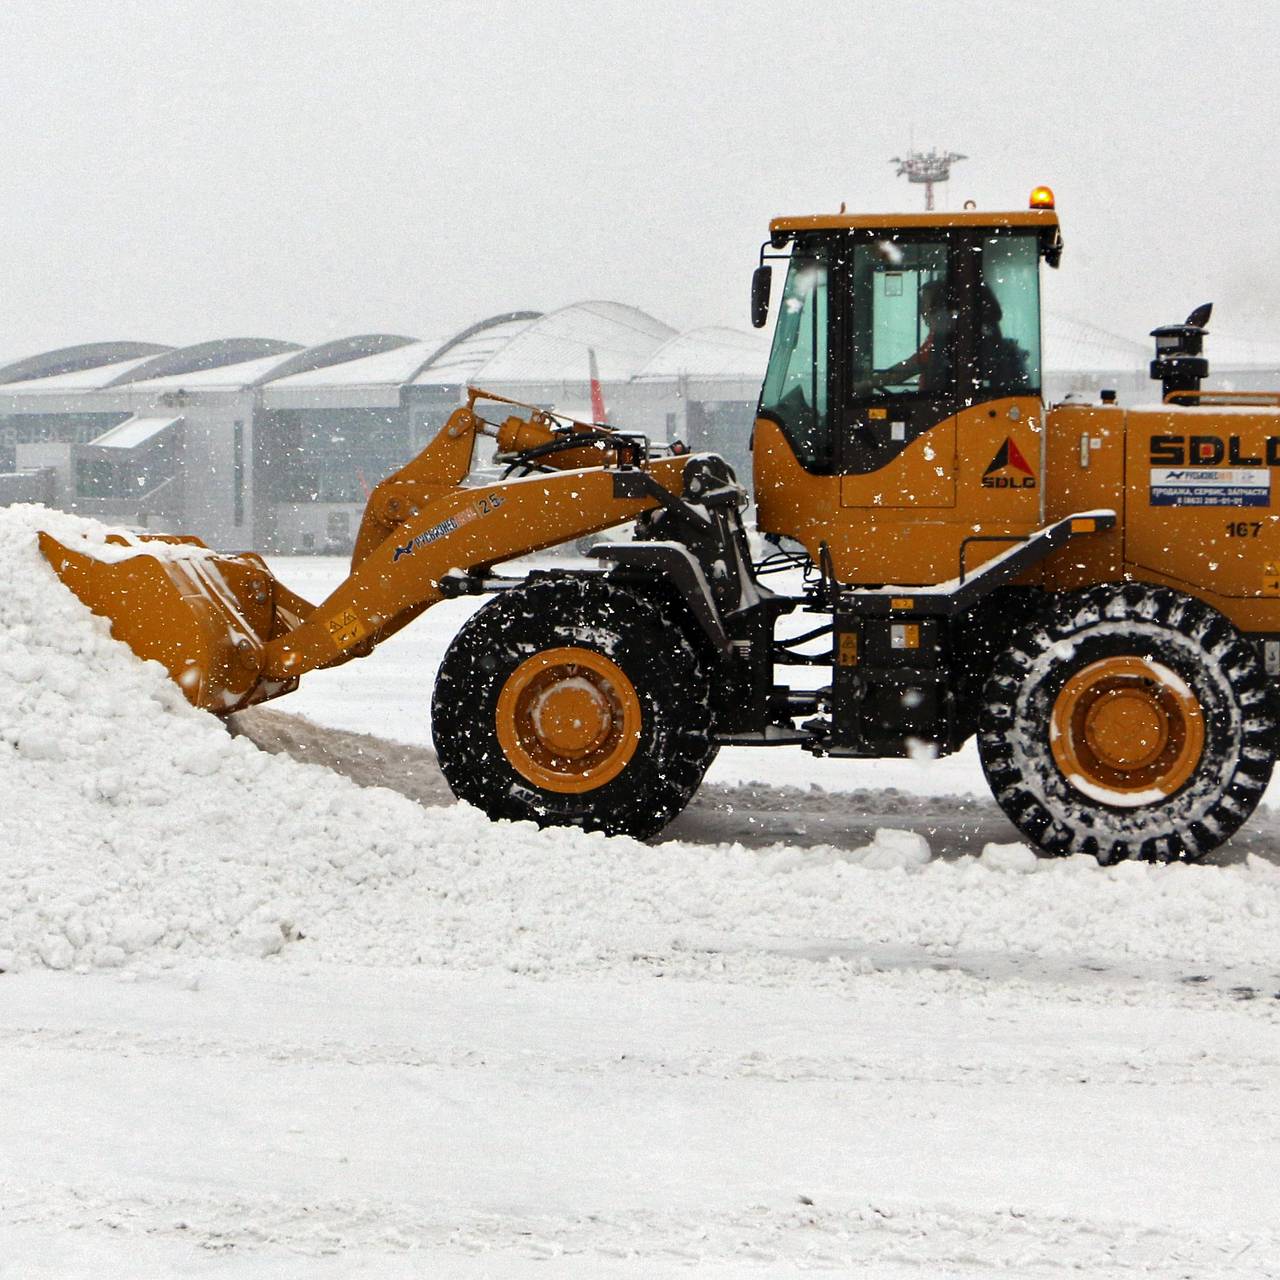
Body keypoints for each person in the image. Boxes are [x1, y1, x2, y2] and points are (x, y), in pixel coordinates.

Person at [856, 278, 953, 396]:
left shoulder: (940, 339)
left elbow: (906, 369)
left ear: (938, 308)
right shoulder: (939, 337)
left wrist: (868, 383)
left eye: (925, 305)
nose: (922, 312)